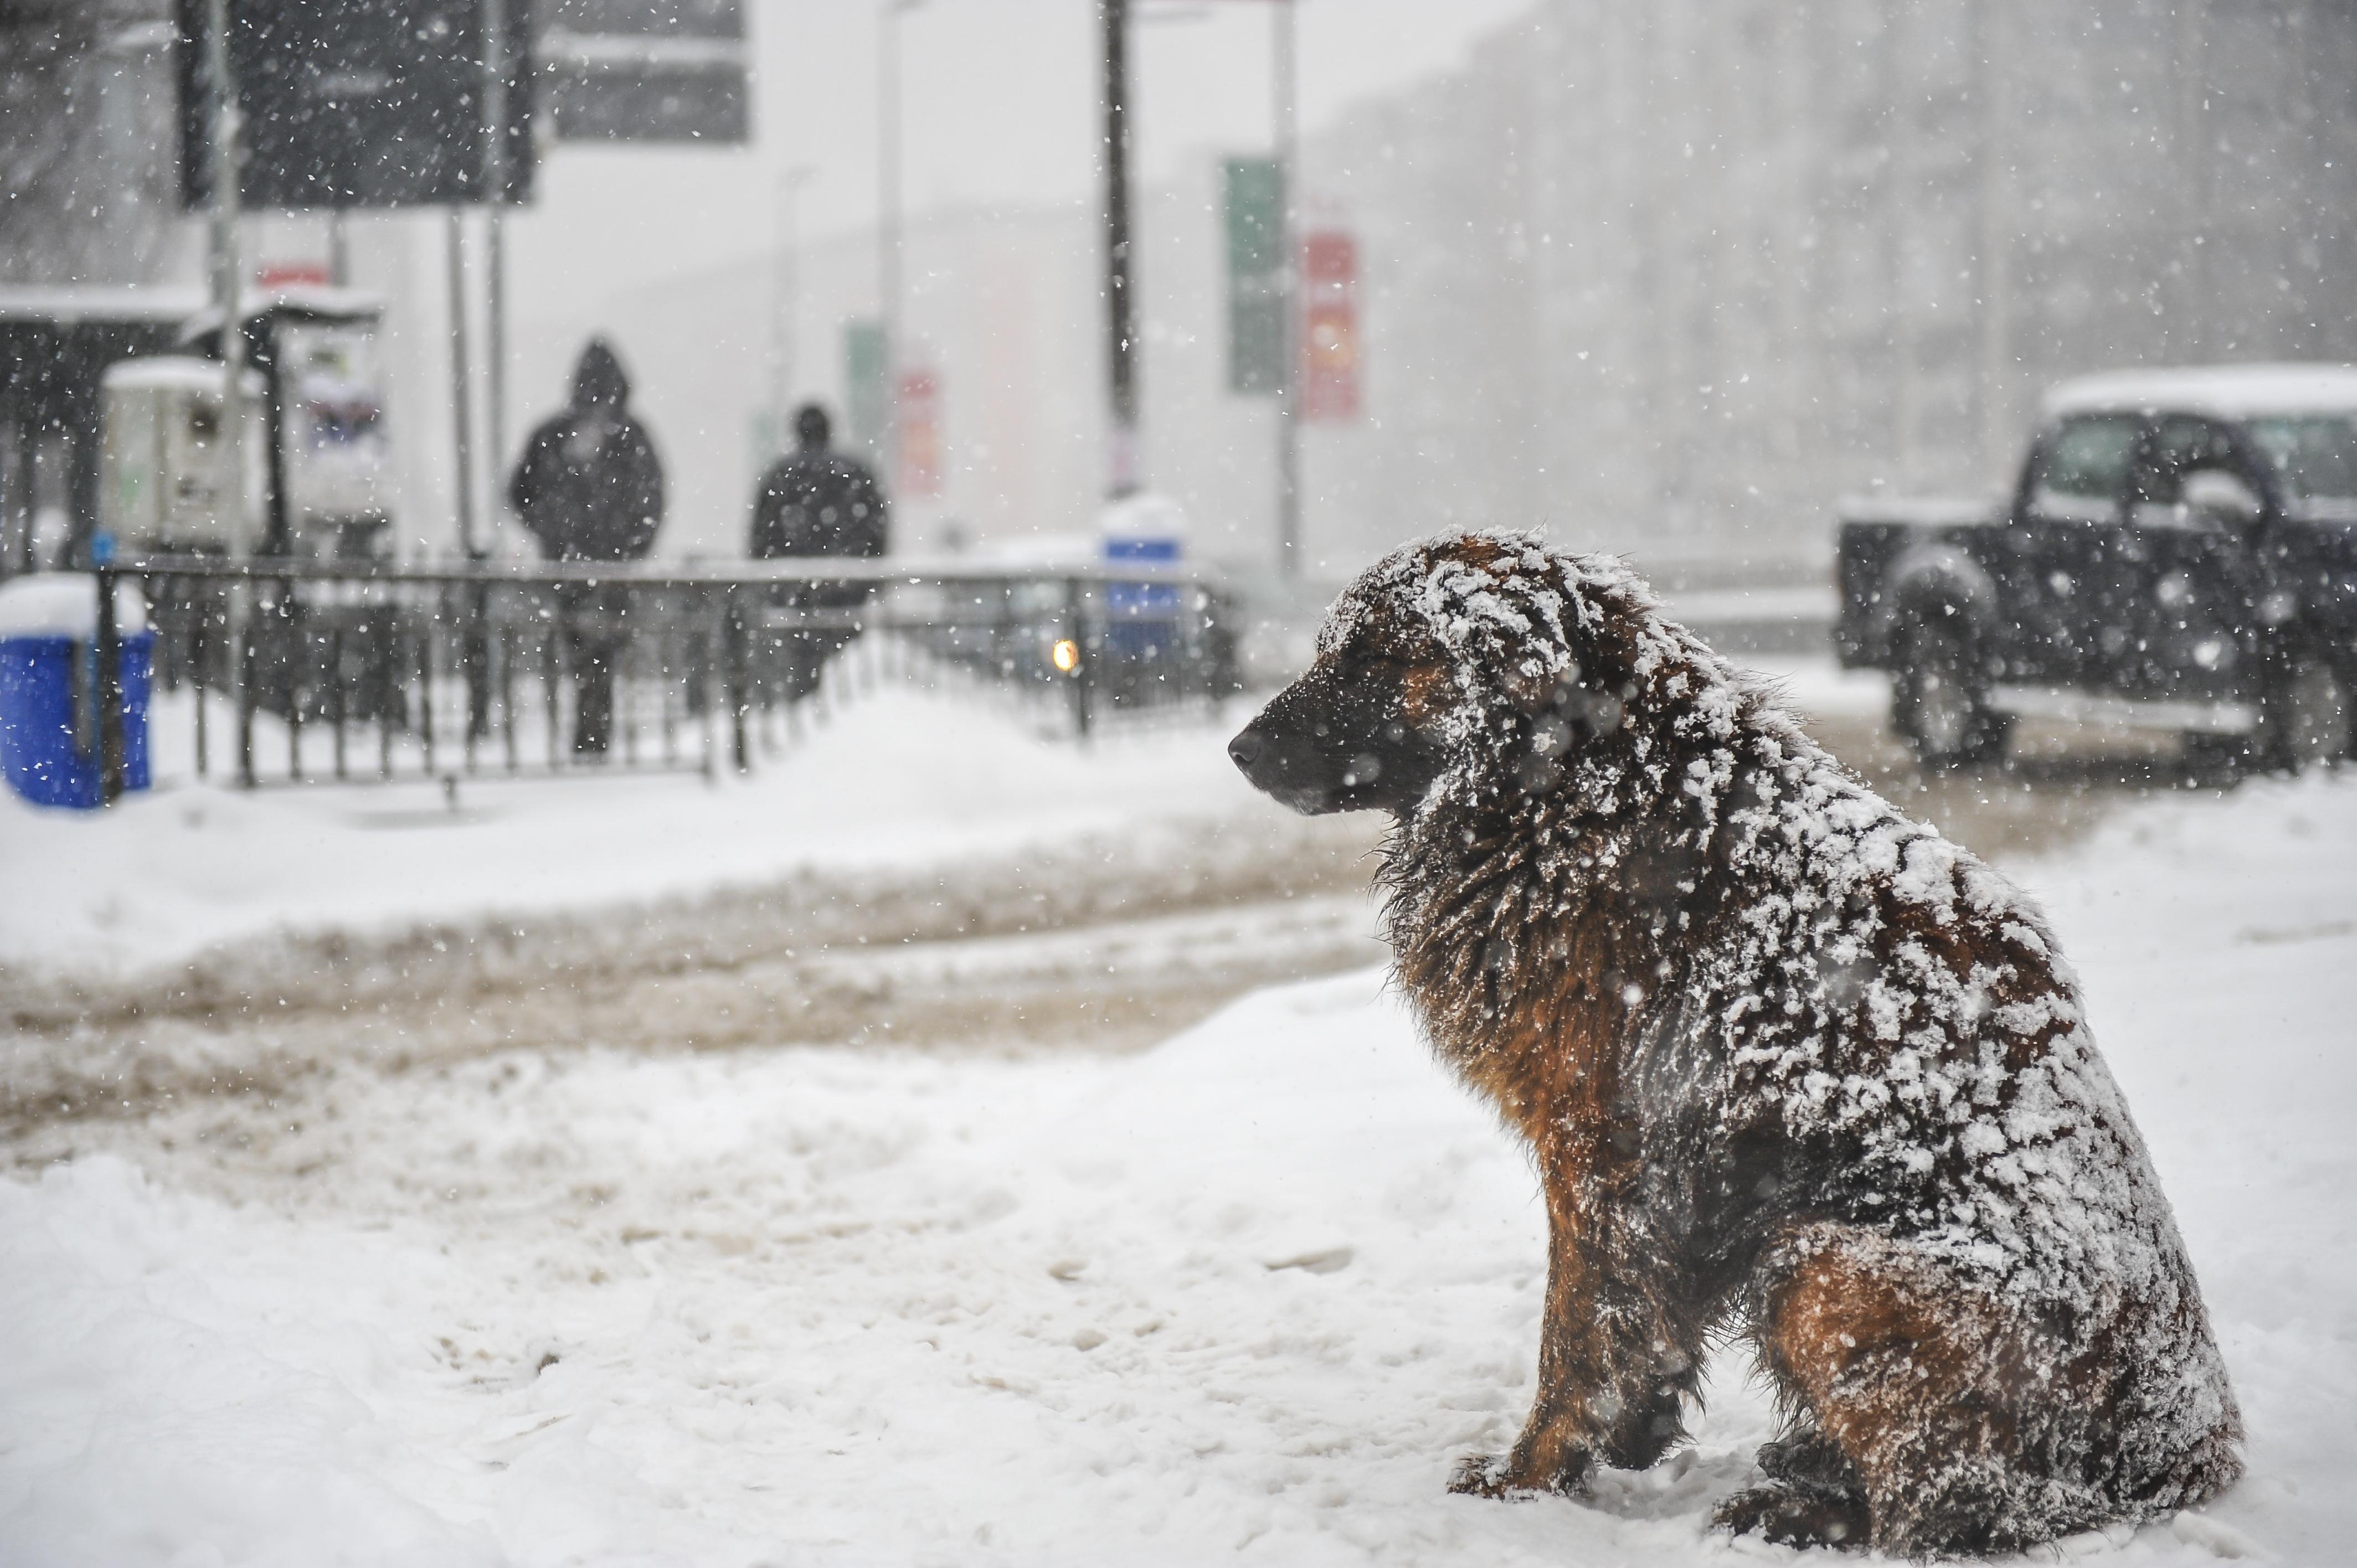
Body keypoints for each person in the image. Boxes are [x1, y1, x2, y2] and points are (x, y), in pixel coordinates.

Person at [508, 339, 664, 755]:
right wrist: (630, 547)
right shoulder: (631, 437)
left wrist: (552, 531)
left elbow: (520, 493)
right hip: (609, 567)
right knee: (601, 652)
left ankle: (587, 729)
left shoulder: (553, 434)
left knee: (580, 647)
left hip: (569, 564)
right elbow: (652, 500)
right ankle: (595, 730)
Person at [749, 403, 889, 704]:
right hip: (847, 593)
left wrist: (774, 581)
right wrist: (867, 578)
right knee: (848, 674)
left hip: (795, 595)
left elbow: (761, 539)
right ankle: (843, 722)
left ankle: (805, 712)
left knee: (798, 672)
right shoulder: (855, 473)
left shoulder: (780, 476)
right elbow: (877, 533)